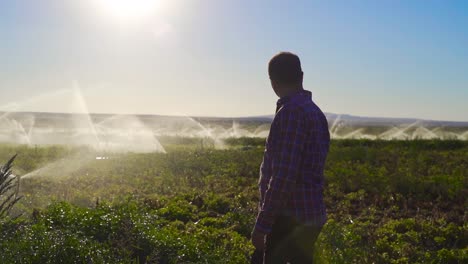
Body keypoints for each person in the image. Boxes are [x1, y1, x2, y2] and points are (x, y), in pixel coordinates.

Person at [251, 52, 330, 264]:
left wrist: (263, 225)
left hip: (289, 218)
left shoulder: (291, 113)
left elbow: (284, 176)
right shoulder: (314, 111)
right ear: (301, 76)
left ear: (273, 82)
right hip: (309, 215)